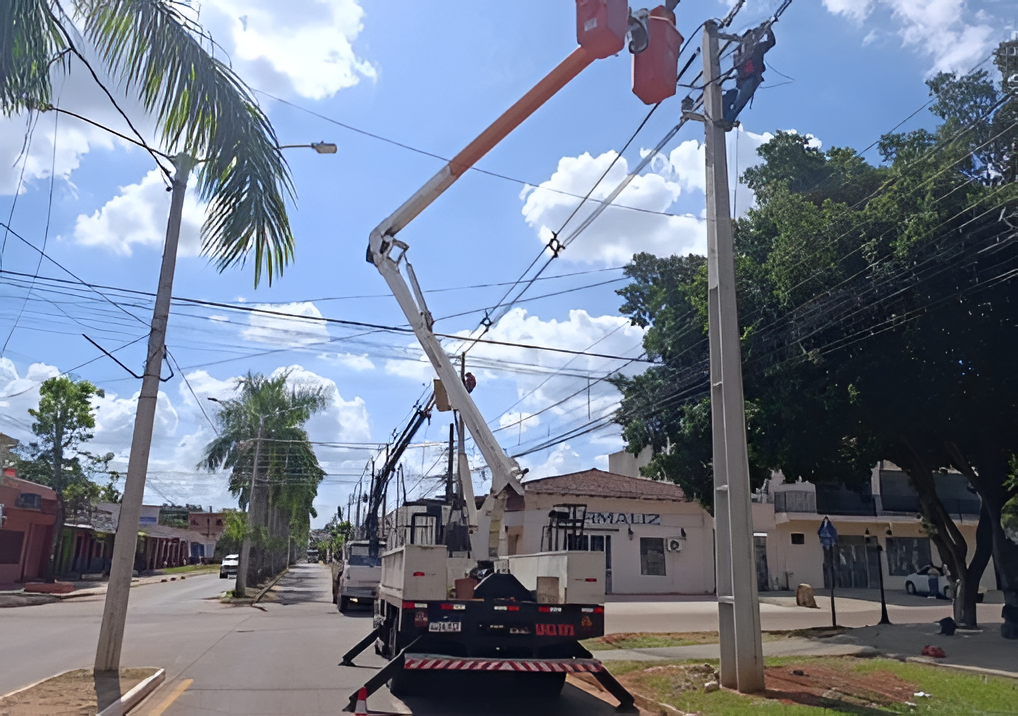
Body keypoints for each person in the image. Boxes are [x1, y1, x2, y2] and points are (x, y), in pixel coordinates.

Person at [722, 25, 776, 125]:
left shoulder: (757, 48)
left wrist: (768, 29)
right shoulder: (738, 53)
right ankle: (723, 116)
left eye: (750, 38)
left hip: (752, 77)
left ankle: (728, 120)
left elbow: (771, 42)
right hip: (740, 81)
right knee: (729, 96)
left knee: (740, 101)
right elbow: (734, 68)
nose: (748, 41)